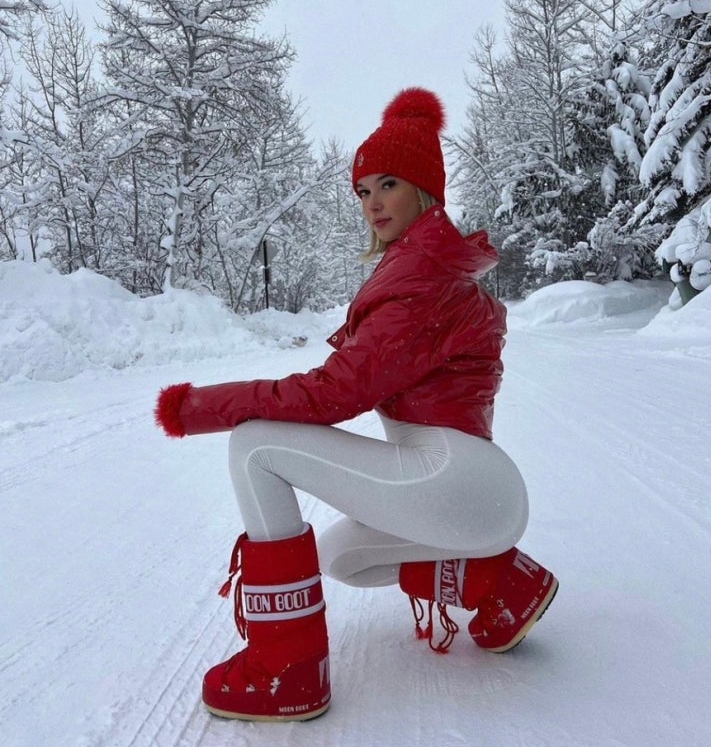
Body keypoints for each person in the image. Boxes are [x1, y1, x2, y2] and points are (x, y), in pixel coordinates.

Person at [155, 87, 558, 723]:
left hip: (454, 478)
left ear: (424, 190)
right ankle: (499, 581)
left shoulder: (422, 278)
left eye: (388, 184)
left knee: (255, 445)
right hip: (476, 491)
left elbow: (332, 393)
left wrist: (201, 408)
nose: (372, 203)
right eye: (363, 190)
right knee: (340, 559)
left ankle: (287, 671)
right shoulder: (430, 268)